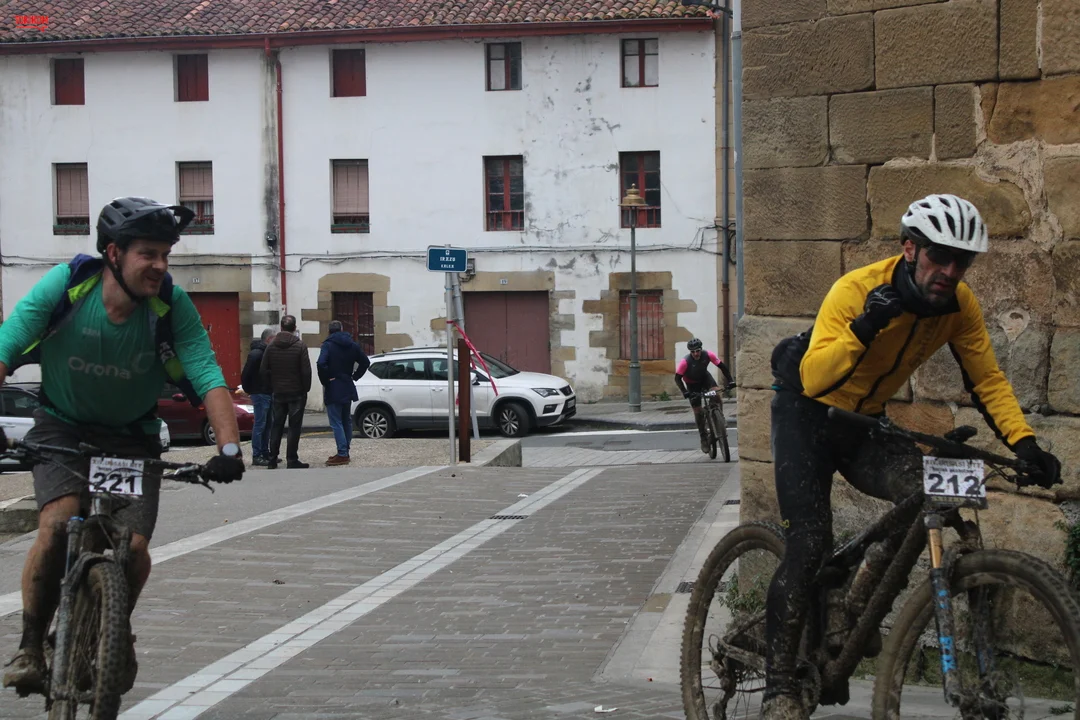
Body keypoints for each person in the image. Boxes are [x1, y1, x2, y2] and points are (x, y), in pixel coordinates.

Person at [760, 193, 1062, 720]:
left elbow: (987, 380)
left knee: (925, 492)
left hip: (864, 423)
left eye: (962, 261)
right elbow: (813, 377)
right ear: (909, 249)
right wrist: (865, 327)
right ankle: (779, 686)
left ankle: (853, 603)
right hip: (807, 413)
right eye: (939, 256)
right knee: (808, 543)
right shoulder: (856, 290)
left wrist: (1025, 443)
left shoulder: (958, 307)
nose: (950, 271)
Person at [0, 196, 245, 696]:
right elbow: (6, 347)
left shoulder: (169, 305)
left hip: (132, 436)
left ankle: (110, 629)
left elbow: (206, 373)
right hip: (62, 426)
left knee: (132, 548)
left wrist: (229, 450)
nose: (159, 266)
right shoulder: (67, 286)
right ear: (113, 253)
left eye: (165, 255)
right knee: (57, 523)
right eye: (147, 254)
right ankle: (30, 647)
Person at [260, 315, 311, 470]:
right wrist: (305, 388)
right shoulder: (300, 346)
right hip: (296, 392)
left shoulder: (271, 346)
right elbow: (306, 371)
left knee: (277, 425)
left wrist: (271, 386)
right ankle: (292, 458)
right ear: (294, 328)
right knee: (294, 427)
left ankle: (272, 459)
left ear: (281, 328)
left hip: (278, 391)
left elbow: (263, 370)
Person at [316, 321, 371, 466]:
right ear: (341, 329)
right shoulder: (352, 344)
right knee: (346, 419)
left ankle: (342, 453)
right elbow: (365, 362)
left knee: (336, 421)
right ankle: (345, 450)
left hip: (334, 384)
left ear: (329, 331)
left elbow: (321, 363)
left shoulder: (328, 345)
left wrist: (325, 380)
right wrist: (355, 376)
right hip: (347, 383)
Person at [674, 338, 735, 453]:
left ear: (701, 349)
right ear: (690, 352)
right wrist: (685, 392)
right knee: (698, 411)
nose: (696, 354)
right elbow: (677, 378)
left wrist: (730, 380)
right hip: (692, 384)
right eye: (693, 352)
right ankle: (703, 438)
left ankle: (719, 417)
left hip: (705, 379)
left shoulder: (708, 355)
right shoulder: (685, 362)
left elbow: (722, 367)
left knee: (716, 393)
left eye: (698, 351)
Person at [241, 328, 275, 466]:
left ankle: (265, 452)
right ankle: (257, 455)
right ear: (269, 339)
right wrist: (249, 389)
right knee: (260, 424)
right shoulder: (257, 354)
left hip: (267, 391)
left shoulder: (265, 352)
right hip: (260, 392)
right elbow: (246, 374)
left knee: (267, 424)